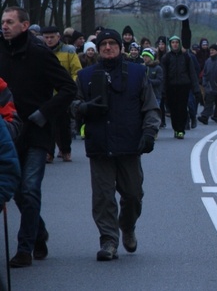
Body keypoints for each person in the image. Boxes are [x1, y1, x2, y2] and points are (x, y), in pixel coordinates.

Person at [71, 28, 160, 261]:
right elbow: (73, 104)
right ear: (98, 49)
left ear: (120, 47)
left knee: (133, 195)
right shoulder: (86, 75)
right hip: (99, 144)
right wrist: (81, 108)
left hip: (129, 144)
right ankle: (109, 241)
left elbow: (150, 107)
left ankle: (127, 226)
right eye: (103, 45)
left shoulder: (137, 73)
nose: (108, 47)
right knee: (103, 197)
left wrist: (149, 132)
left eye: (112, 43)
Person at [0, 6, 77, 268]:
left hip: (36, 131)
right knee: (17, 192)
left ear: (25, 25)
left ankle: (25, 248)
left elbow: (69, 88)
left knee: (30, 189)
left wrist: (44, 113)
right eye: (3, 22)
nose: (5, 26)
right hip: (7, 132)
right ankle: (39, 233)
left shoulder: (40, 53)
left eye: (10, 21)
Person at [41, 25, 82, 163]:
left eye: (52, 37)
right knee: (47, 124)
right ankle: (48, 152)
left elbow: (77, 71)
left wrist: (71, 87)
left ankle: (65, 150)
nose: (49, 40)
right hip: (45, 94)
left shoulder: (69, 50)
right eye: (46, 37)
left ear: (58, 37)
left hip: (63, 94)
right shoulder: (39, 51)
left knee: (63, 124)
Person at [160, 35, 201, 139]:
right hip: (171, 87)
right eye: (173, 42)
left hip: (184, 86)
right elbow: (163, 75)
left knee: (182, 109)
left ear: (180, 44)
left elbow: (192, 73)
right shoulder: (166, 58)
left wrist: (196, 90)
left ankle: (181, 129)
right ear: (170, 44)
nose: (175, 44)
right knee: (173, 110)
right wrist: (163, 90)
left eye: (177, 42)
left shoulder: (186, 57)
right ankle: (176, 128)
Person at [142, 48, 164, 125]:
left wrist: (148, 81)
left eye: (147, 56)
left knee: (154, 113)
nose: (145, 58)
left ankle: (155, 128)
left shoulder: (157, 68)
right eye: (143, 56)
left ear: (151, 57)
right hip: (144, 95)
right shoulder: (141, 67)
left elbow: (159, 81)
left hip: (155, 95)